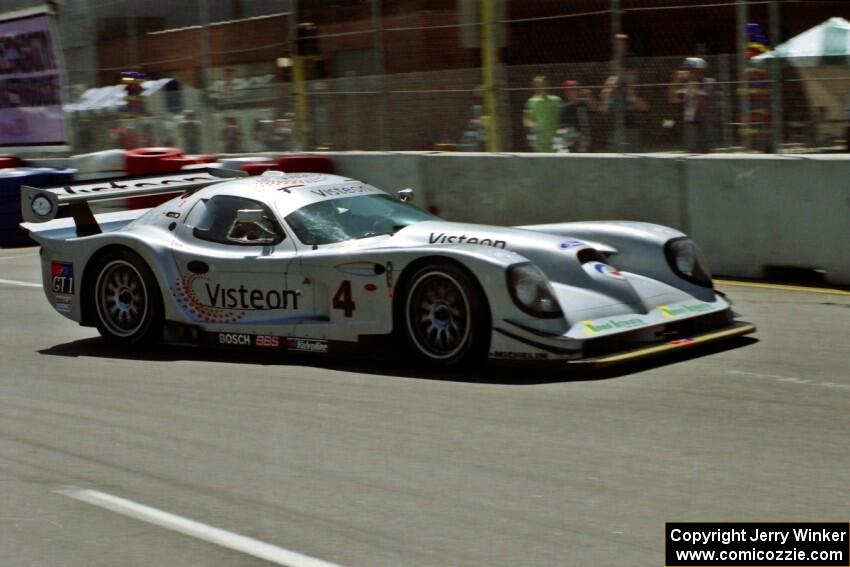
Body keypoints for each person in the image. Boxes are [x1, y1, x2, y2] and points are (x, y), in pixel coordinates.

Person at [600, 34, 648, 151]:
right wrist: (608, 90)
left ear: (626, 45)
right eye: (616, 44)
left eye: (620, 43)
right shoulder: (614, 61)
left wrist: (619, 80)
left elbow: (629, 75)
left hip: (630, 121)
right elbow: (612, 80)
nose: (617, 46)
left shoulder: (631, 59)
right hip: (616, 121)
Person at [668, 57, 716, 153]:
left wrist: (693, 82)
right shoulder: (687, 85)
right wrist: (675, 81)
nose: (686, 72)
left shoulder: (709, 82)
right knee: (691, 152)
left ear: (698, 70)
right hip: (690, 124)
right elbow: (672, 99)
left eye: (689, 70)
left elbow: (702, 98)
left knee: (705, 153)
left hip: (703, 124)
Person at [523, 76, 562, 152]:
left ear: (547, 85)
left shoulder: (556, 100)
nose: (540, 87)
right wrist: (531, 126)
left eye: (542, 85)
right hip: (539, 142)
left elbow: (563, 118)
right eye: (537, 85)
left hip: (555, 141)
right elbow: (526, 119)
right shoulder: (531, 101)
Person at [561, 80, 596, 152]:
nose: (576, 91)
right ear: (567, 92)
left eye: (577, 89)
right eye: (572, 89)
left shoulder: (584, 102)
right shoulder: (565, 108)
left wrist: (589, 95)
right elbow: (564, 127)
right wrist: (577, 136)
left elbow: (594, 107)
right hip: (573, 141)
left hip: (587, 139)